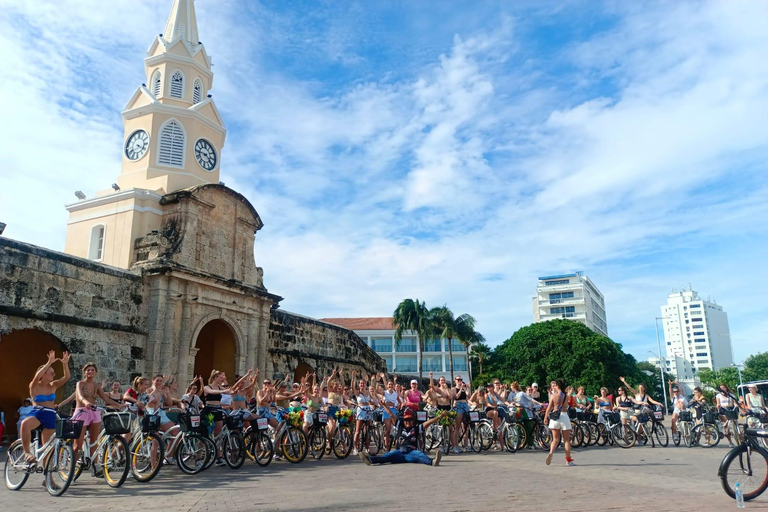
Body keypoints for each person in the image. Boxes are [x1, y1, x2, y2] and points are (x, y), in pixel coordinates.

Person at [19, 351, 71, 463]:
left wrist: (65, 364)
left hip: (50, 414)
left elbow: (66, 377)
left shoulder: (54, 385)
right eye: (51, 373)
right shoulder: (34, 386)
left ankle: (48, 478)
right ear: (43, 374)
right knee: (25, 424)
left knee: (48, 448)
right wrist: (49, 363)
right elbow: (37, 376)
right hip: (37, 413)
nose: (54, 375)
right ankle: (27, 453)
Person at [73, 362, 125, 471]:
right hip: (82, 411)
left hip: (94, 411)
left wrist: (119, 405)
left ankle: (95, 465)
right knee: (78, 443)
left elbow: (106, 399)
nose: (90, 372)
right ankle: (72, 468)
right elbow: (80, 396)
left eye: (92, 370)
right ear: (84, 372)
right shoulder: (80, 384)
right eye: (88, 370)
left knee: (94, 440)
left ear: (96, 372)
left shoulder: (96, 386)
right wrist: (86, 402)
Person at [358, 409, 445, 466]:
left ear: (412, 421)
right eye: (406, 420)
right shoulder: (400, 426)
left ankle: (433, 461)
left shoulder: (416, 428)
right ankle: (370, 460)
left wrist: (439, 417)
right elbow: (391, 415)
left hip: (411, 452)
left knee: (420, 456)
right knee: (386, 456)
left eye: (410, 420)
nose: (408, 422)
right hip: (399, 452)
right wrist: (384, 406)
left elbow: (428, 423)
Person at [545, 379, 574, 466]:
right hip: (564, 416)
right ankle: (568, 460)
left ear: (557, 386)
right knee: (566, 440)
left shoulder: (553, 396)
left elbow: (549, 408)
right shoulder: (565, 395)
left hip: (555, 417)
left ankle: (551, 452)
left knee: (555, 439)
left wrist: (546, 417)